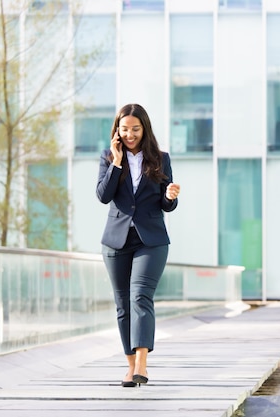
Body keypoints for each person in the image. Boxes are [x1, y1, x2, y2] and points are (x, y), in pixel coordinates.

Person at [96, 103, 180, 388]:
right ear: (117, 131)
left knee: (140, 296)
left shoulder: (161, 159)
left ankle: (142, 364)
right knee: (122, 305)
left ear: (144, 129)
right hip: (116, 241)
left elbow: (166, 205)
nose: (130, 134)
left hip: (151, 240)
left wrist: (170, 195)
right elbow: (103, 196)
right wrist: (117, 162)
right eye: (125, 129)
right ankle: (130, 367)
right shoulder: (108, 158)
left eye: (135, 129)